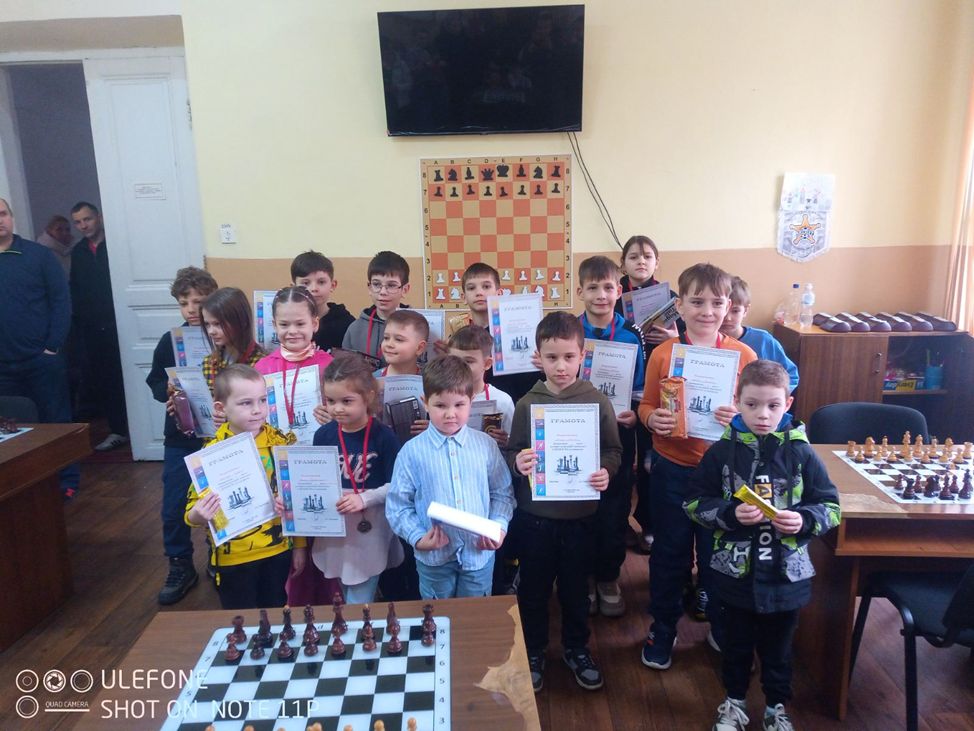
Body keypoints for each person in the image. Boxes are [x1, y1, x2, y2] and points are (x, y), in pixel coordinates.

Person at [684, 360, 840, 731]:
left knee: (779, 651)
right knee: (734, 646)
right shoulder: (720, 453)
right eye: (752, 404)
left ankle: (776, 708)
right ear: (737, 400)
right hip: (734, 576)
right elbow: (693, 503)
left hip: (787, 578)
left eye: (773, 405)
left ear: (788, 403)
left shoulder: (802, 453)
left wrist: (804, 520)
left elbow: (831, 506)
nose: (763, 415)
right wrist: (730, 514)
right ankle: (734, 703)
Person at [637, 263, 757, 671]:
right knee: (669, 552)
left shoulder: (744, 356)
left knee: (716, 554)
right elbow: (646, 404)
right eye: (697, 301)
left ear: (729, 306)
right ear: (680, 306)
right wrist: (652, 419)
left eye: (717, 303)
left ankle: (721, 625)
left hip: (723, 476)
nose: (707, 311)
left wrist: (740, 416)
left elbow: (758, 416)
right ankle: (663, 627)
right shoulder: (663, 353)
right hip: (672, 468)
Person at [504, 312, 622, 692]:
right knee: (533, 591)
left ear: (582, 356)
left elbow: (614, 450)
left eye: (569, 357)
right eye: (551, 357)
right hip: (536, 518)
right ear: (538, 357)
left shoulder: (597, 401)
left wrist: (605, 471)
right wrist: (519, 462)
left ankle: (576, 648)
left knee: (575, 592)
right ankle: (534, 651)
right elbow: (513, 450)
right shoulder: (527, 403)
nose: (561, 366)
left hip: (581, 517)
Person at [386, 355, 515, 599]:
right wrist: (417, 537)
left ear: (471, 401)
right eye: (441, 406)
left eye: (459, 405)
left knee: (473, 616)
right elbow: (398, 506)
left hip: (478, 554)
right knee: (436, 616)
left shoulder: (486, 445)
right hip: (433, 557)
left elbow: (502, 493)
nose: (450, 414)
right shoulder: (411, 452)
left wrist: (499, 526)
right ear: (425, 403)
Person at [184, 364, 304, 609]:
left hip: (278, 549)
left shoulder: (280, 443)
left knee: (276, 611)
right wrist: (199, 514)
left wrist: (299, 546)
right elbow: (191, 513)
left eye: (263, 400)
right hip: (234, 556)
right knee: (240, 616)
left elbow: (296, 496)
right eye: (246, 403)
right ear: (221, 408)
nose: (258, 410)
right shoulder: (210, 453)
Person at [576, 256, 646, 617]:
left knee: (615, 508)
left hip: (618, 433)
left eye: (607, 287)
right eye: (592, 288)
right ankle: (585, 577)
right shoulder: (569, 331)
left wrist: (635, 411)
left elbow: (639, 388)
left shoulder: (632, 334)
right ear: (580, 292)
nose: (601, 295)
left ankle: (608, 577)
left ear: (619, 291)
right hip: (576, 432)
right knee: (580, 506)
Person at [145, 266, 218, 604]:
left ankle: (218, 556)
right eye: (184, 303)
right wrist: (168, 389)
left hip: (217, 434)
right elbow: (155, 381)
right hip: (180, 436)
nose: (191, 309)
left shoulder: (222, 337)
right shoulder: (170, 340)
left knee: (217, 499)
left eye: (198, 302)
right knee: (174, 505)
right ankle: (180, 563)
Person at [0, 197, 79, 498]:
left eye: (3, 213)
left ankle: (67, 483)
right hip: (3, 366)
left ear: (11, 217)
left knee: (56, 422)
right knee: (12, 427)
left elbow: (61, 301)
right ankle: (25, 488)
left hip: (42, 360)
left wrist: (52, 347)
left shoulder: (38, 256)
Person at [309, 354, 403, 604]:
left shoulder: (384, 437)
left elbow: (398, 486)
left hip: (370, 527)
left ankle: (358, 627)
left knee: (358, 600)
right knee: (345, 590)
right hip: (336, 528)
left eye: (347, 401)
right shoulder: (323, 435)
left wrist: (364, 498)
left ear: (368, 397)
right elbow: (315, 483)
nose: (337, 408)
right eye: (331, 401)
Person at [615, 234, 683, 555]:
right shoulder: (614, 296)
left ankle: (649, 525)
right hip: (622, 389)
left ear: (657, 262)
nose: (641, 261)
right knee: (622, 458)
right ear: (623, 264)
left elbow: (686, 343)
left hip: (658, 390)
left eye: (647, 256)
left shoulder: (672, 299)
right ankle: (621, 524)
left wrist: (672, 337)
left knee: (650, 462)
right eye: (633, 256)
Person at [69, 201, 128, 451]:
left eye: (87, 219)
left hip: (121, 323)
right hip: (94, 329)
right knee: (106, 380)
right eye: (78, 222)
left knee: (130, 375)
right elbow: (76, 289)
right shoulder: (78, 252)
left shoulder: (116, 245)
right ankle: (118, 430)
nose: (83, 226)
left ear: (99, 218)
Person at [254, 285, 333, 427]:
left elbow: (344, 408)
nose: (292, 331)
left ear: (314, 324)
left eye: (300, 324)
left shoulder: (330, 365)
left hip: (321, 439)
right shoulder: (262, 368)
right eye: (284, 324)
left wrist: (334, 419)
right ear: (275, 325)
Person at [721, 276, 799, 392]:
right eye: (724, 310)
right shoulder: (704, 340)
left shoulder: (763, 341)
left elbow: (791, 376)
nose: (728, 318)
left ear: (745, 310)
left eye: (735, 311)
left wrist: (774, 397)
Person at [447, 325, 514, 445]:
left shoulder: (502, 401)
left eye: (468, 361)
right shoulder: (440, 398)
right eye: (454, 360)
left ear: (487, 364)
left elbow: (515, 445)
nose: (459, 367)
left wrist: (507, 441)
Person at [342, 250, 411, 365]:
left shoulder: (417, 327)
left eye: (391, 285)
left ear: (405, 289)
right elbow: (346, 368)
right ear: (369, 288)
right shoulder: (355, 329)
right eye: (376, 284)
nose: (383, 292)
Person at [200, 287, 266, 400]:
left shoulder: (261, 363)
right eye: (207, 324)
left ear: (241, 321)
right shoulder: (209, 362)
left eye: (218, 324)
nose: (211, 331)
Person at [290, 250, 354, 352]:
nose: (314, 288)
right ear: (293, 288)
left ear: (332, 285)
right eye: (306, 283)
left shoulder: (347, 324)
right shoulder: (287, 322)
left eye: (321, 282)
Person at [376, 309, 428, 377]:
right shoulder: (371, 381)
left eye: (399, 339)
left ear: (419, 348)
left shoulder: (429, 382)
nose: (389, 344)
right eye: (386, 338)